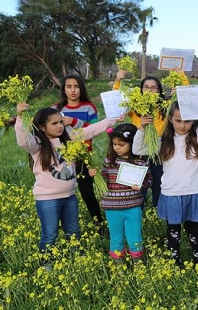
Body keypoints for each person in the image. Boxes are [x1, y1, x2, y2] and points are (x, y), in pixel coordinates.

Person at [15, 104, 119, 268]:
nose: (59, 126)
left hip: (69, 196)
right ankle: (46, 264)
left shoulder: (68, 139)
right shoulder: (37, 145)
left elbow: (90, 130)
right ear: (42, 127)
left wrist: (112, 120)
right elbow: (23, 141)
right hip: (47, 199)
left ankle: (75, 258)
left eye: (61, 122)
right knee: (50, 234)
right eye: (54, 124)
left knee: (73, 231)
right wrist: (20, 118)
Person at [133, 96, 198, 267]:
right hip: (171, 193)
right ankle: (175, 264)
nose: (183, 125)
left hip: (193, 192)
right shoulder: (163, 141)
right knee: (173, 233)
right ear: (170, 120)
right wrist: (142, 128)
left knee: (194, 232)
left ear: (194, 121)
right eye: (178, 120)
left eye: (187, 121)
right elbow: (137, 149)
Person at [92, 123, 152, 265]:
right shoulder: (109, 161)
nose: (117, 148)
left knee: (135, 238)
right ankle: (119, 268)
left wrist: (141, 185)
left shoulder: (140, 162)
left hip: (133, 206)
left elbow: (149, 181)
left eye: (121, 144)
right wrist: (95, 175)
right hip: (112, 208)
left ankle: (139, 267)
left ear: (132, 143)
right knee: (116, 238)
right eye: (114, 144)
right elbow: (104, 178)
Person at [54, 74, 103, 226]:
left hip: (84, 156)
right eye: (69, 87)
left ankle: (99, 224)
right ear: (64, 89)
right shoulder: (56, 108)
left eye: (76, 87)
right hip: (63, 158)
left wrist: (75, 122)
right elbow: (43, 124)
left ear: (81, 88)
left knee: (87, 193)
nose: (73, 90)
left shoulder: (89, 107)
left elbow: (95, 129)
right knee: (62, 193)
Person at [114, 71, 167, 208]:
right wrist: (119, 81)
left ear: (159, 90)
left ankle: (158, 213)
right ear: (141, 90)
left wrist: (181, 80)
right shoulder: (135, 106)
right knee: (138, 186)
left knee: (159, 184)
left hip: (157, 152)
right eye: (146, 87)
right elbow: (117, 98)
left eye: (154, 87)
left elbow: (185, 99)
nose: (149, 90)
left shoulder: (165, 107)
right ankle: (139, 211)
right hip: (138, 152)